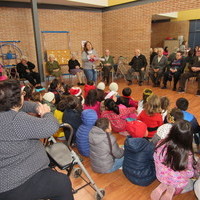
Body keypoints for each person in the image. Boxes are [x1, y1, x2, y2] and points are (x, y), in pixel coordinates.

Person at [0, 79, 74, 200]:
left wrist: (36, 106)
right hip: (14, 182)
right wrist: (46, 113)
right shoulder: (16, 121)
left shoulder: (5, 108)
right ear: (16, 100)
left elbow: (21, 105)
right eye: (22, 94)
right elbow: (51, 127)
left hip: (9, 169)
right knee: (62, 183)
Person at [151, 120, 196, 199]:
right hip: (176, 181)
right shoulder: (187, 154)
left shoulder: (161, 143)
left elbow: (155, 158)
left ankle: (164, 184)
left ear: (172, 131)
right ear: (188, 138)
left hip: (162, 175)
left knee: (169, 174)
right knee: (189, 184)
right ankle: (172, 189)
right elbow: (189, 173)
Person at [123, 120, 156, 186]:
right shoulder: (148, 146)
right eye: (145, 129)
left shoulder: (127, 142)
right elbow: (154, 158)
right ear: (142, 133)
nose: (147, 130)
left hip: (127, 172)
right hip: (143, 178)